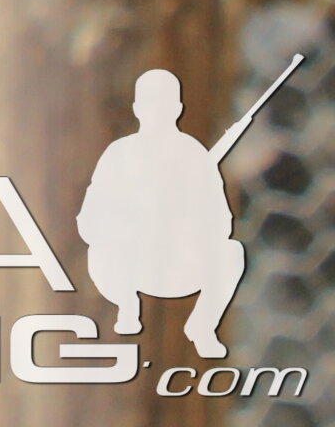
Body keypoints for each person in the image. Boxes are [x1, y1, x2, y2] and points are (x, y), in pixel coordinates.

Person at [77, 65, 247, 359]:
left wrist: (185, 219)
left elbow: (223, 222)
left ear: (178, 108)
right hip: (126, 267)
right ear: (137, 108)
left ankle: (202, 326)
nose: (157, 110)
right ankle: (127, 308)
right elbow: (88, 220)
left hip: (178, 265)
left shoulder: (194, 155)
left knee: (232, 253)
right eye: (150, 102)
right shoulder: (119, 154)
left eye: (165, 102)